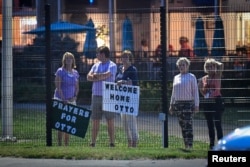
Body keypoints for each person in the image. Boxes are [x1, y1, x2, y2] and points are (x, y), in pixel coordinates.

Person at [87, 46, 117, 147]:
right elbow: (88, 77)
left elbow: (107, 75)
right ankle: (93, 142)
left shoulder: (112, 65)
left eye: (98, 53)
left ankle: (112, 142)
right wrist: (98, 76)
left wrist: (95, 76)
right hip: (95, 96)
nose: (96, 55)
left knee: (110, 120)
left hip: (108, 96)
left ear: (103, 54)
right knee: (95, 120)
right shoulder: (95, 65)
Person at [169, 57, 199, 149]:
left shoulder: (191, 77)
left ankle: (190, 145)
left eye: (183, 65)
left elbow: (195, 92)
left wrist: (197, 105)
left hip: (188, 104)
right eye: (180, 65)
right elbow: (173, 92)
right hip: (178, 104)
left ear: (187, 66)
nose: (181, 66)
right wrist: (171, 104)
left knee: (188, 124)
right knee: (182, 124)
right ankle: (186, 144)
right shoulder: (176, 77)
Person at [53, 52, 80, 146]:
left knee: (68, 123)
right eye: (67, 59)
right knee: (61, 123)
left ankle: (66, 144)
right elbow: (58, 86)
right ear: (64, 60)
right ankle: (59, 144)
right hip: (61, 99)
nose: (69, 60)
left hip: (71, 100)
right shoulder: (60, 71)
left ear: (73, 60)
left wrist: (75, 96)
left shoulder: (75, 73)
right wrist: (63, 99)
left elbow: (77, 87)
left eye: (70, 58)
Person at [198, 58, 224, 150]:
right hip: (207, 101)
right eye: (208, 66)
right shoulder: (204, 79)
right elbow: (203, 92)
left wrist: (213, 62)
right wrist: (201, 88)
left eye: (211, 66)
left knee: (217, 122)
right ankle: (212, 143)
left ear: (214, 67)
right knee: (209, 123)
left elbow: (221, 65)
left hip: (216, 100)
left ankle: (221, 143)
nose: (209, 68)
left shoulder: (217, 75)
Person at [115, 50, 139, 147]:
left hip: (130, 99)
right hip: (121, 98)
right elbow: (116, 80)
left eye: (126, 57)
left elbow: (133, 83)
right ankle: (128, 140)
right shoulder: (120, 68)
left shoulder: (133, 69)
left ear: (130, 59)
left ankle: (134, 140)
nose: (124, 59)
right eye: (123, 57)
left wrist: (123, 82)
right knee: (123, 121)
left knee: (131, 120)